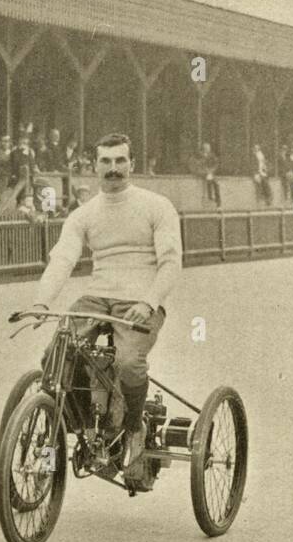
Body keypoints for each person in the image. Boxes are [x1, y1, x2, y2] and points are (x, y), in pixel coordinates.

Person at [26, 133, 182, 479]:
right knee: (54, 355)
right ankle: (91, 431)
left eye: (120, 161)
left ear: (132, 164)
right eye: (106, 162)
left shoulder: (156, 206)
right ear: (94, 167)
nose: (113, 169)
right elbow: (62, 259)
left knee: (128, 362)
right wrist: (41, 301)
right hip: (97, 297)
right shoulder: (84, 214)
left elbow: (171, 262)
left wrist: (149, 301)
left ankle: (134, 426)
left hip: (141, 298)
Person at [192, 142, 221, 208]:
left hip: (209, 172)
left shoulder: (211, 155)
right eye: (206, 148)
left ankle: (218, 200)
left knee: (216, 183)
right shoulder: (199, 156)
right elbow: (196, 165)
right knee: (210, 180)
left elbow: (216, 163)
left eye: (208, 148)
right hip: (202, 172)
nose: (208, 150)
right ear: (203, 149)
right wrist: (204, 171)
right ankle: (210, 197)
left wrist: (211, 170)